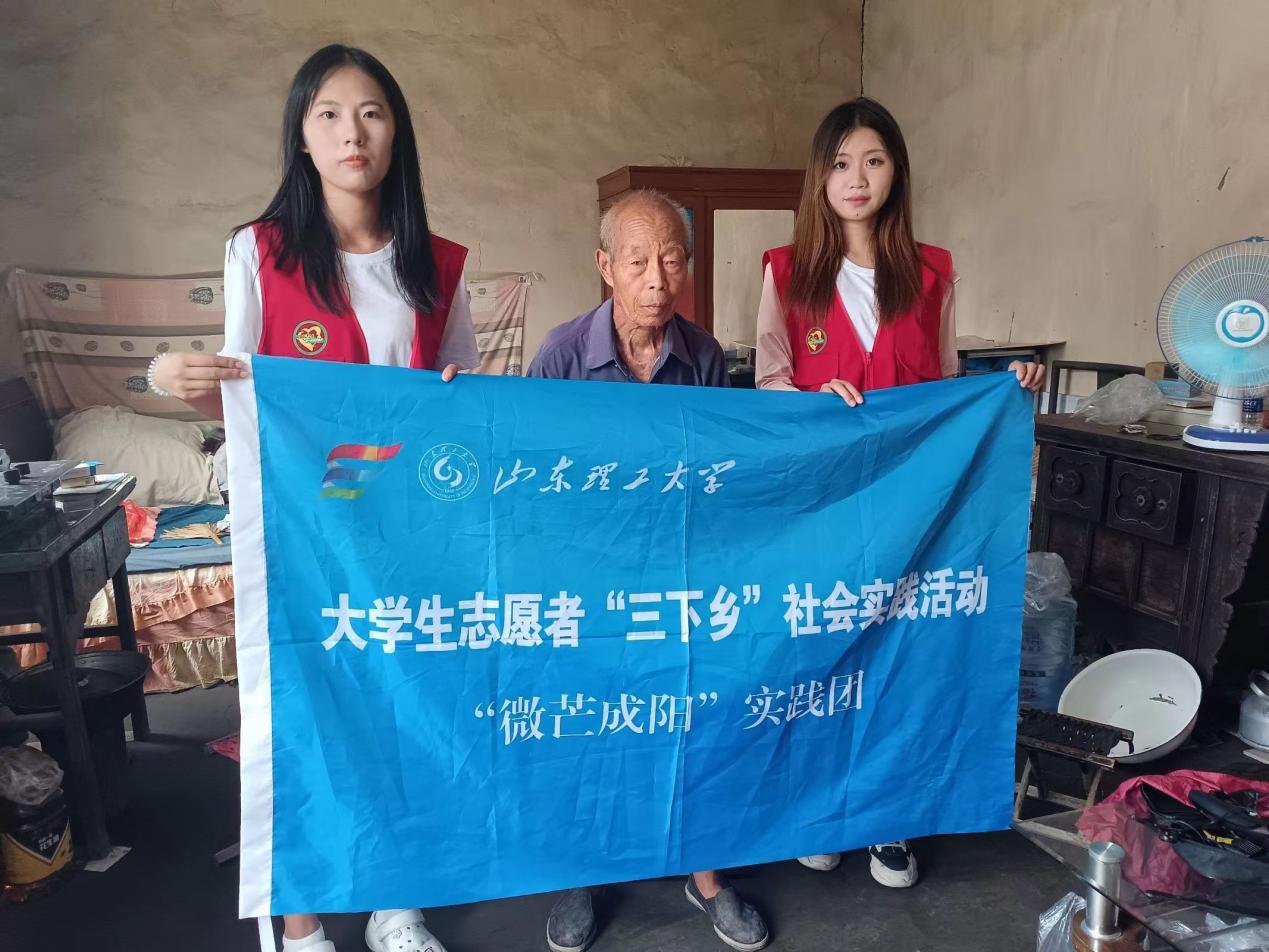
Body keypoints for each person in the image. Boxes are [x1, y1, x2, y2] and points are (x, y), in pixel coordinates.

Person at [151, 44, 478, 952]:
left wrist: (455, 408)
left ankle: (395, 904)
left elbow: (461, 400)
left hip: (402, 527)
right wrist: (171, 377)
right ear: (301, 136)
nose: (351, 132)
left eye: (371, 112)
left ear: (396, 132)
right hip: (300, 525)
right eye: (328, 114)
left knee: (403, 702)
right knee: (300, 710)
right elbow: (242, 395)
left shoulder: (438, 264)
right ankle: (300, 924)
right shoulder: (259, 252)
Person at [755, 97, 1045, 886]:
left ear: (895, 173)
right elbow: (769, 381)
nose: (856, 179)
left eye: (873, 161)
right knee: (822, 652)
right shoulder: (785, 271)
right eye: (840, 163)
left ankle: (889, 818)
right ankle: (820, 810)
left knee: (899, 658)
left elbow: (949, 387)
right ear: (820, 177)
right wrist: (810, 400)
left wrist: (1009, 385)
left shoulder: (932, 272)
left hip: (911, 510)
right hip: (822, 506)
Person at [526, 189, 769, 952]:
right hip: (589, 584)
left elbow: (723, 470)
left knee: (693, 723)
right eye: (637, 261)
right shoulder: (562, 356)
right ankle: (583, 873)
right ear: (606, 267)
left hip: (679, 578)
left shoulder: (702, 355)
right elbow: (528, 476)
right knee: (590, 727)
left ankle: (705, 876)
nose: (657, 278)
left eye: (670, 259)